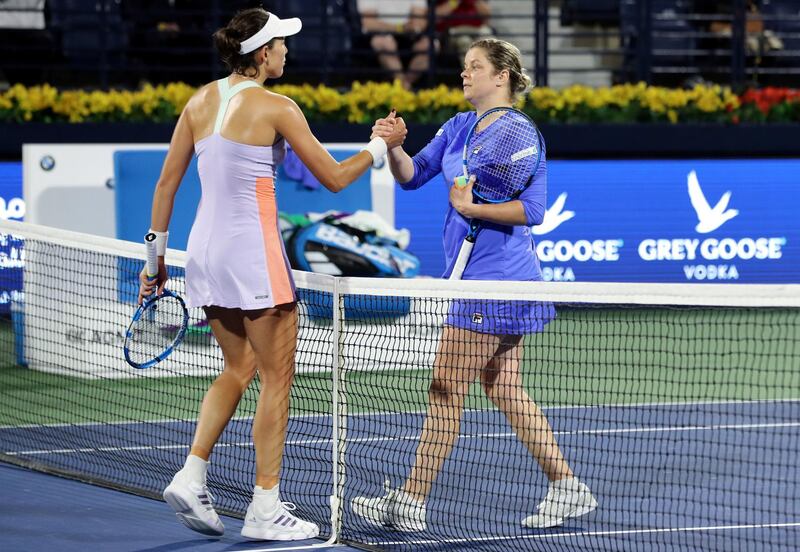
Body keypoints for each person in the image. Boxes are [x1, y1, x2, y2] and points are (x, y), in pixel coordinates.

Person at [137, 7, 405, 541]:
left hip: (204, 251)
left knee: (238, 369)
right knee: (277, 377)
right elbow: (332, 177)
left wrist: (154, 263)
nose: (287, 50)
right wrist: (381, 145)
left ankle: (192, 474)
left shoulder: (199, 101)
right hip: (253, 253)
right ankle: (265, 507)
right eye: (281, 43)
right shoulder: (278, 106)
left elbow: (165, 187)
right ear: (263, 54)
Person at [351, 38, 597, 532]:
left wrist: (473, 209)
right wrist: (395, 145)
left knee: (445, 388)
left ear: (501, 76)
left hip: (497, 279)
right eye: (464, 67)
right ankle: (568, 486)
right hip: (475, 278)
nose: (465, 74)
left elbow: (532, 212)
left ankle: (411, 502)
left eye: (475, 67)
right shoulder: (459, 126)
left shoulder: (520, 133)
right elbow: (413, 175)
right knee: (504, 386)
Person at [357, 0, 437, 89]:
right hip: (380, 36)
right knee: (383, 43)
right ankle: (406, 89)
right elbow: (369, 23)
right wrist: (399, 28)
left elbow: (420, 20)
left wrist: (412, 28)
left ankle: (404, 86)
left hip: (410, 36)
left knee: (430, 44)